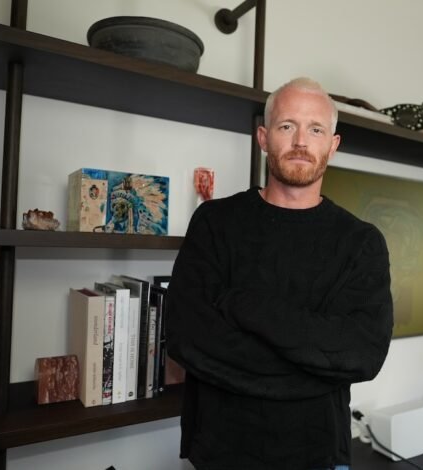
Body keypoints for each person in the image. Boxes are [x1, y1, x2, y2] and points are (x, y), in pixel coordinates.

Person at [166, 77, 394, 470]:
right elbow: (185, 336)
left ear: (332, 145)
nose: (301, 141)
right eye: (287, 126)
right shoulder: (215, 223)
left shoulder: (361, 242)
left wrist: (242, 305)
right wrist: (316, 368)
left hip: (318, 453)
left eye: (316, 129)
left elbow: (362, 355)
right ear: (263, 137)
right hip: (220, 451)